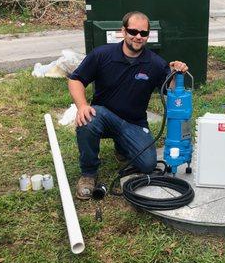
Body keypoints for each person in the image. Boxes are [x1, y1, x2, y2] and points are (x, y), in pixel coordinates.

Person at [68, 11, 188, 200]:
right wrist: (82, 105)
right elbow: (76, 80)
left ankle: (122, 148)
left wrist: (175, 74)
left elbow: (170, 92)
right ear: (123, 31)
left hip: (134, 123)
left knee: (148, 165)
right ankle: (88, 174)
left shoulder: (155, 63)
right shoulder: (102, 54)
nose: (138, 37)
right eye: (133, 31)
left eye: (144, 33)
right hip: (103, 116)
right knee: (87, 118)